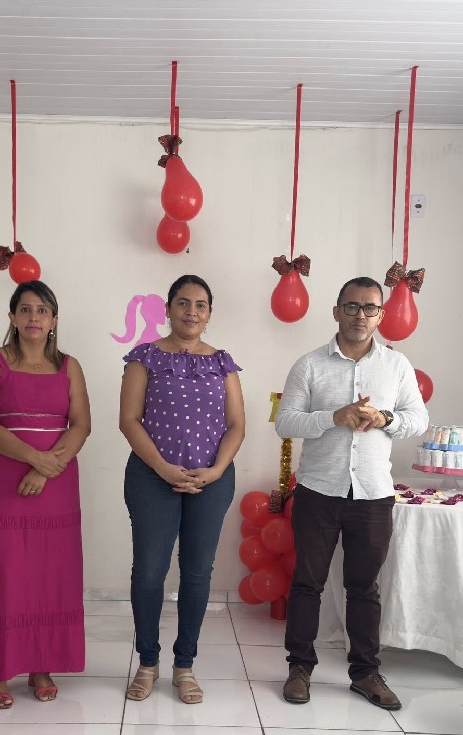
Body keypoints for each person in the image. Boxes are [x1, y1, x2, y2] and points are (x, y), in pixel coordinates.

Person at [275, 276, 428, 710]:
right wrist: (333, 416)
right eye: (352, 306)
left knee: (364, 588)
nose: (361, 315)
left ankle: (365, 673)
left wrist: (384, 419)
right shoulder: (309, 365)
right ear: (336, 311)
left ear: (381, 315)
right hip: (318, 492)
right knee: (307, 584)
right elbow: (285, 422)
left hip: (373, 495)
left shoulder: (397, 366)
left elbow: (418, 419)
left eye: (370, 308)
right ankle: (299, 668)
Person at [119, 274, 245, 703]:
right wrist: (163, 468)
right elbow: (129, 420)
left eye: (201, 305)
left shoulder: (223, 364)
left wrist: (216, 470)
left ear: (209, 314)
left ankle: (184, 665)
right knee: (149, 572)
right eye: (183, 303)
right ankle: (147, 662)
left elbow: (236, 425)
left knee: (197, 573)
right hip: (151, 478)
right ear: (169, 309)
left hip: (211, 481)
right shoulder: (145, 357)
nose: (192, 311)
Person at [0, 280, 90, 708]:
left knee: (49, 574)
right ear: (13, 317)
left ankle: (42, 663)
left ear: (54, 320)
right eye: (25, 309)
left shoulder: (70, 366)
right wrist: (35, 459)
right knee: (6, 570)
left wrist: (46, 468)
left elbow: (81, 424)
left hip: (57, 483)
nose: (34, 317)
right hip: (8, 479)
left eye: (42, 310)